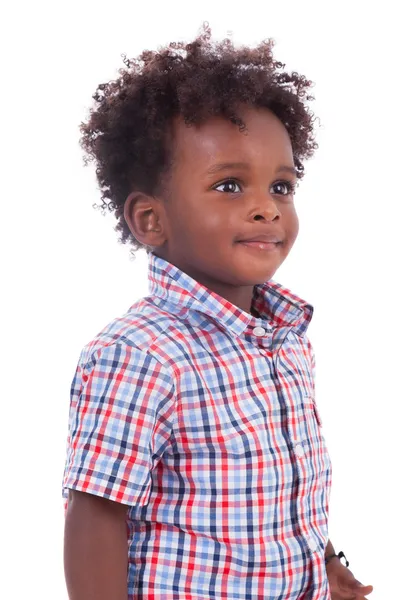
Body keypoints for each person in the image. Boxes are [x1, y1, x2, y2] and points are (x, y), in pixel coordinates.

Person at [62, 23, 374, 600]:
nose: (265, 209)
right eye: (230, 186)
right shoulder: (138, 354)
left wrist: (325, 563)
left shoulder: (285, 339)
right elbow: (95, 516)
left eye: (281, 187)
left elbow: (288, 481)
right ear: (150, 219)